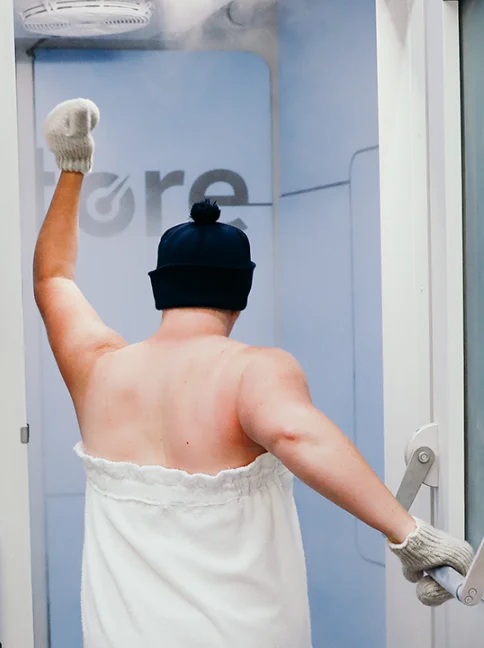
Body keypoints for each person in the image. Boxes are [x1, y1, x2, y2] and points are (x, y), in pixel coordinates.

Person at [33, 97, 475, 647]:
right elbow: (296, 434)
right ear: (239, 295)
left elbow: (53, 279)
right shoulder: (252, 372)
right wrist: (410, 535)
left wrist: (71, 166)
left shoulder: (98, 371)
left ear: (160, 287)